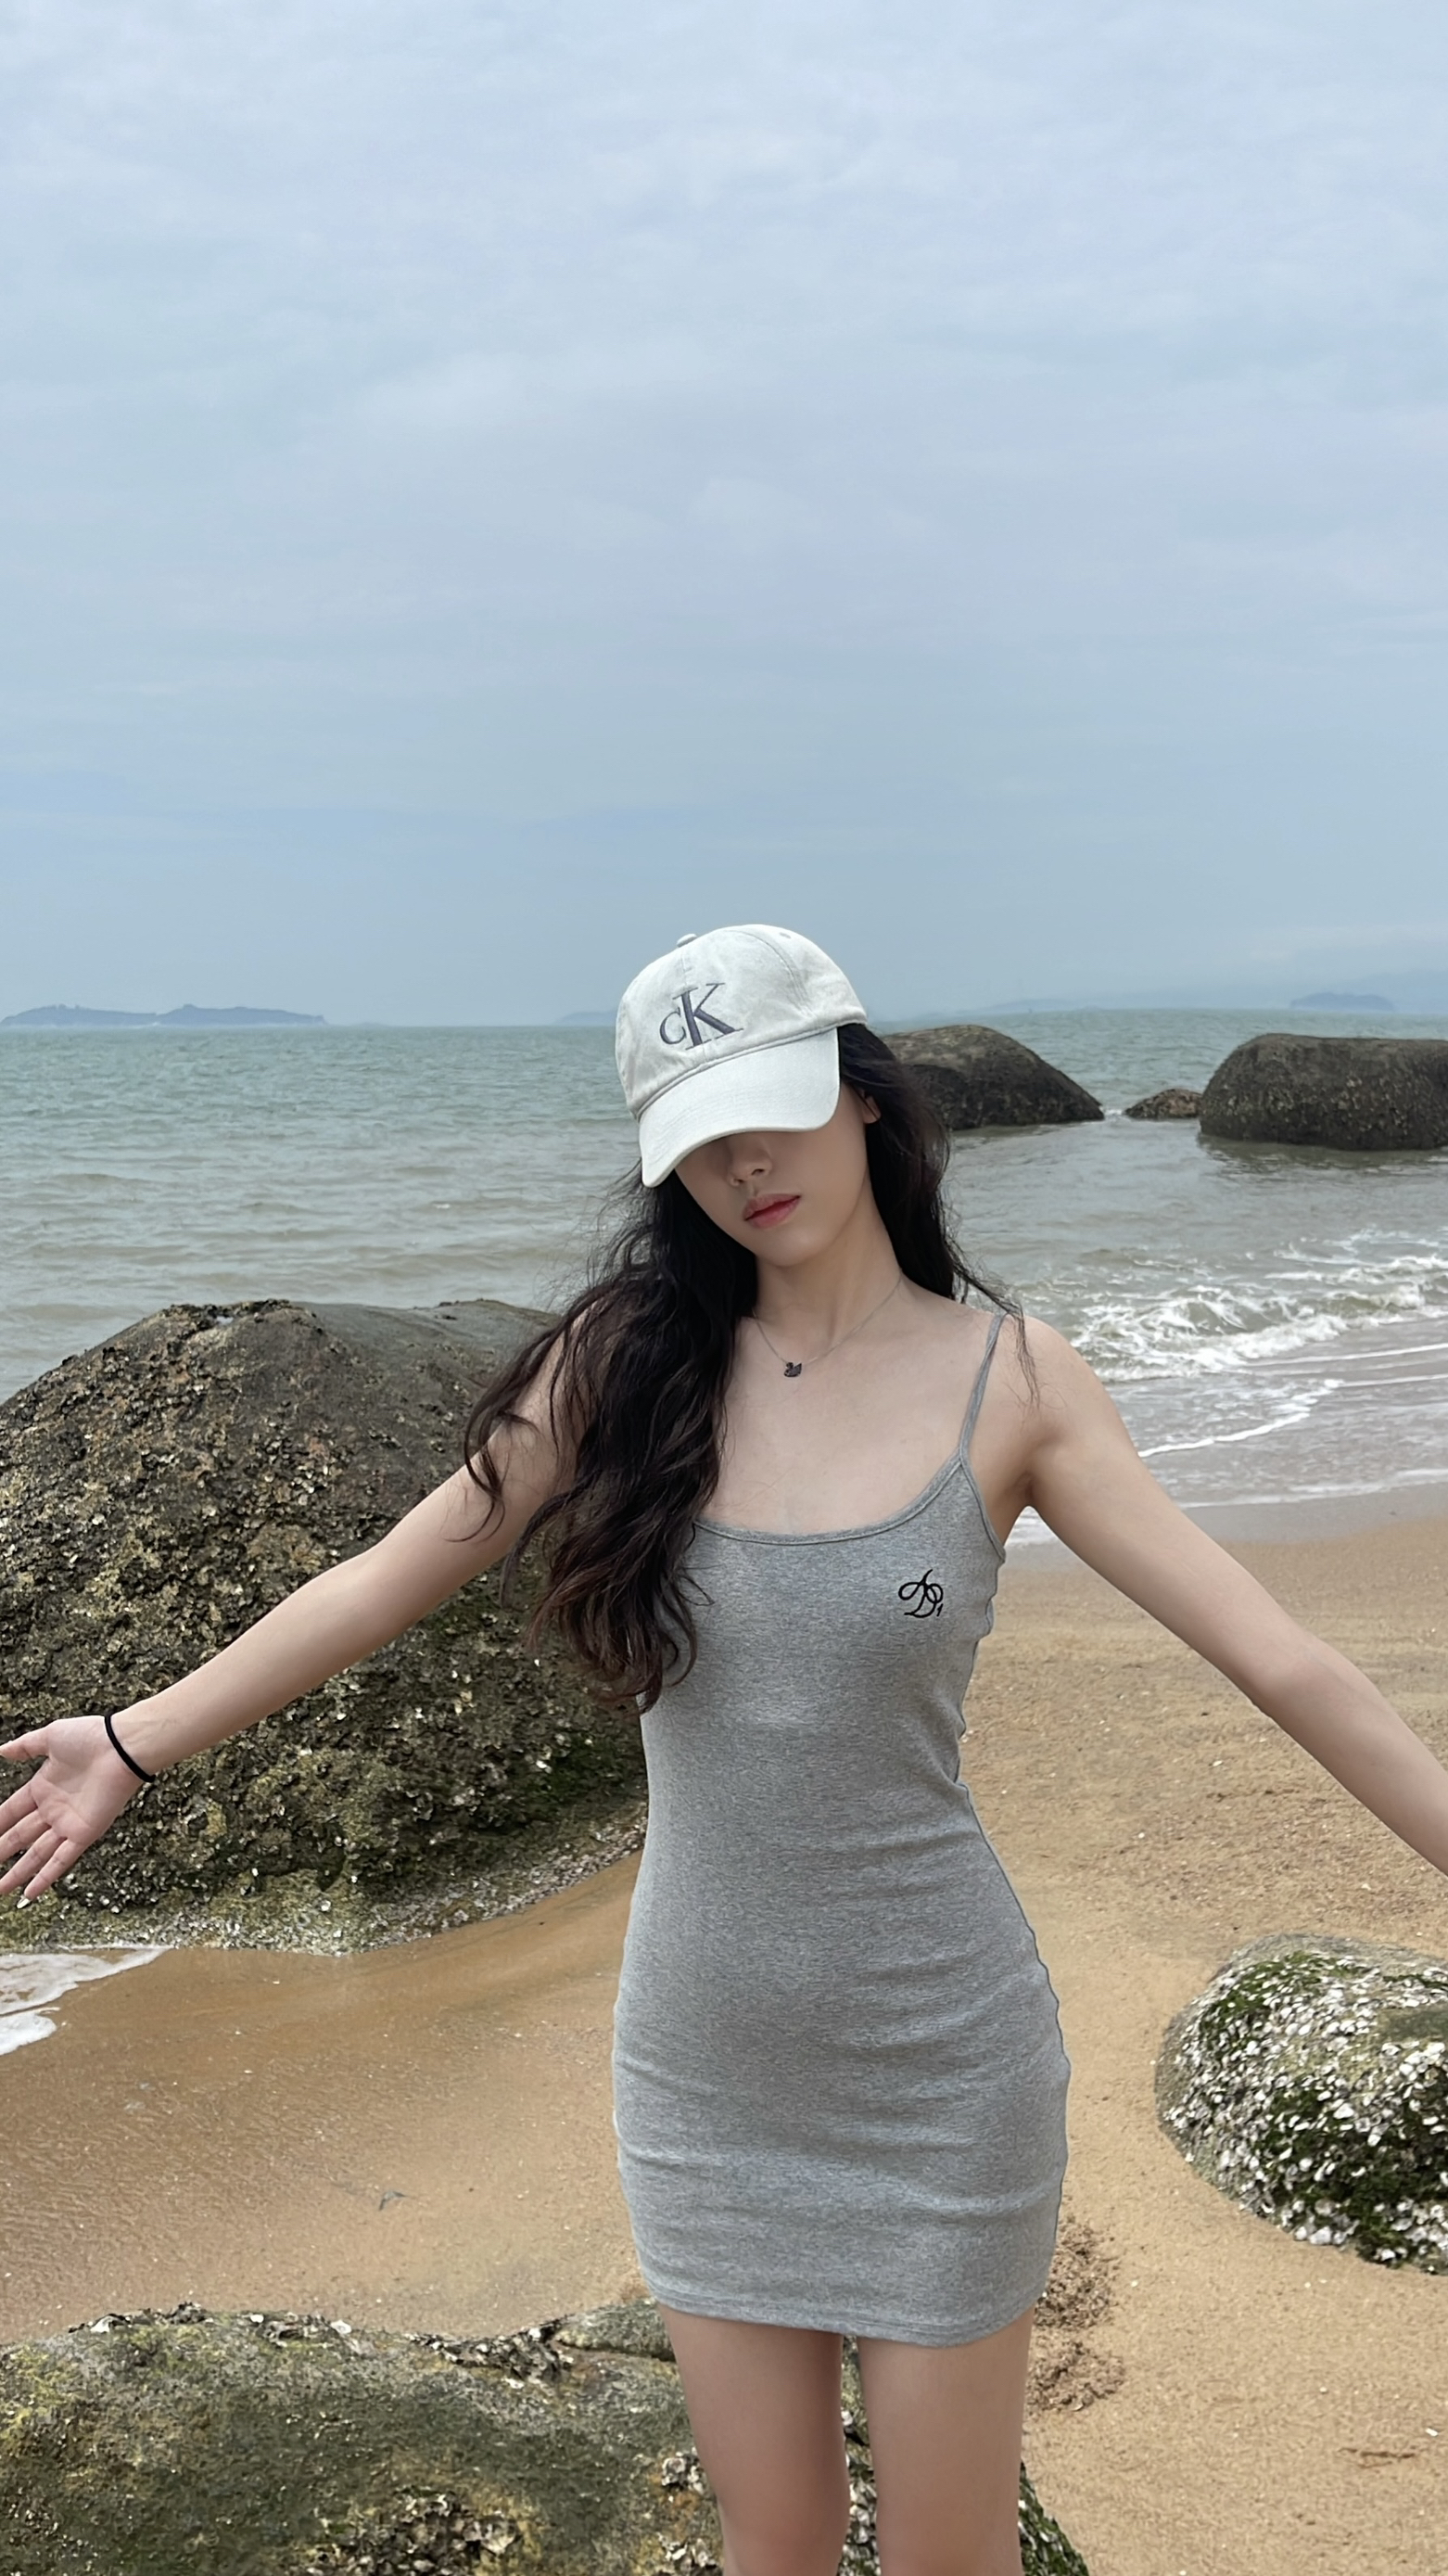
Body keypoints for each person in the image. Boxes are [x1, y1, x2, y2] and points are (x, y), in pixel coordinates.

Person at [3, 920, 1447, 2576]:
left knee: (950, 2560)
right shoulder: (621, 1368)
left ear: (863, 1093)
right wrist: (132, 1739)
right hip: (705, 2066)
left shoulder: (1014, 1384)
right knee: (774, 2545)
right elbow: (385, 1577)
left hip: (941, 2064)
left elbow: (1278, 1657)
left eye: (773, 1110)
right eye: (701, 1140)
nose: (746, 1163)